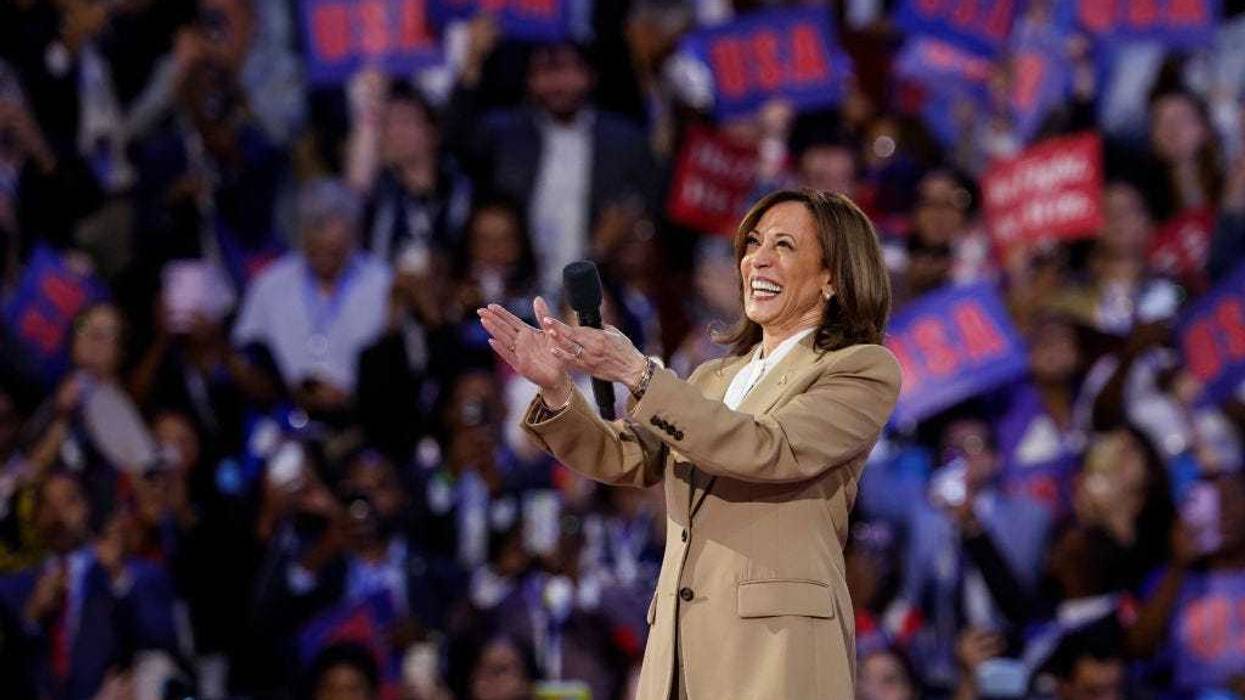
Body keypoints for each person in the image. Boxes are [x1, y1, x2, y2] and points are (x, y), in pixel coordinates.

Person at [479, 189, 900, 698]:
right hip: (680, 649)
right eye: (753, 244)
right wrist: (555, 388)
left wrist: (637, 371)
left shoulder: (858, 368)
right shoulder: (712, 376)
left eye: (783, 245)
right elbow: (626, 455)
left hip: (777, 651)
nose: (755, 260)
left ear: (833, 275)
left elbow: (770, 449)